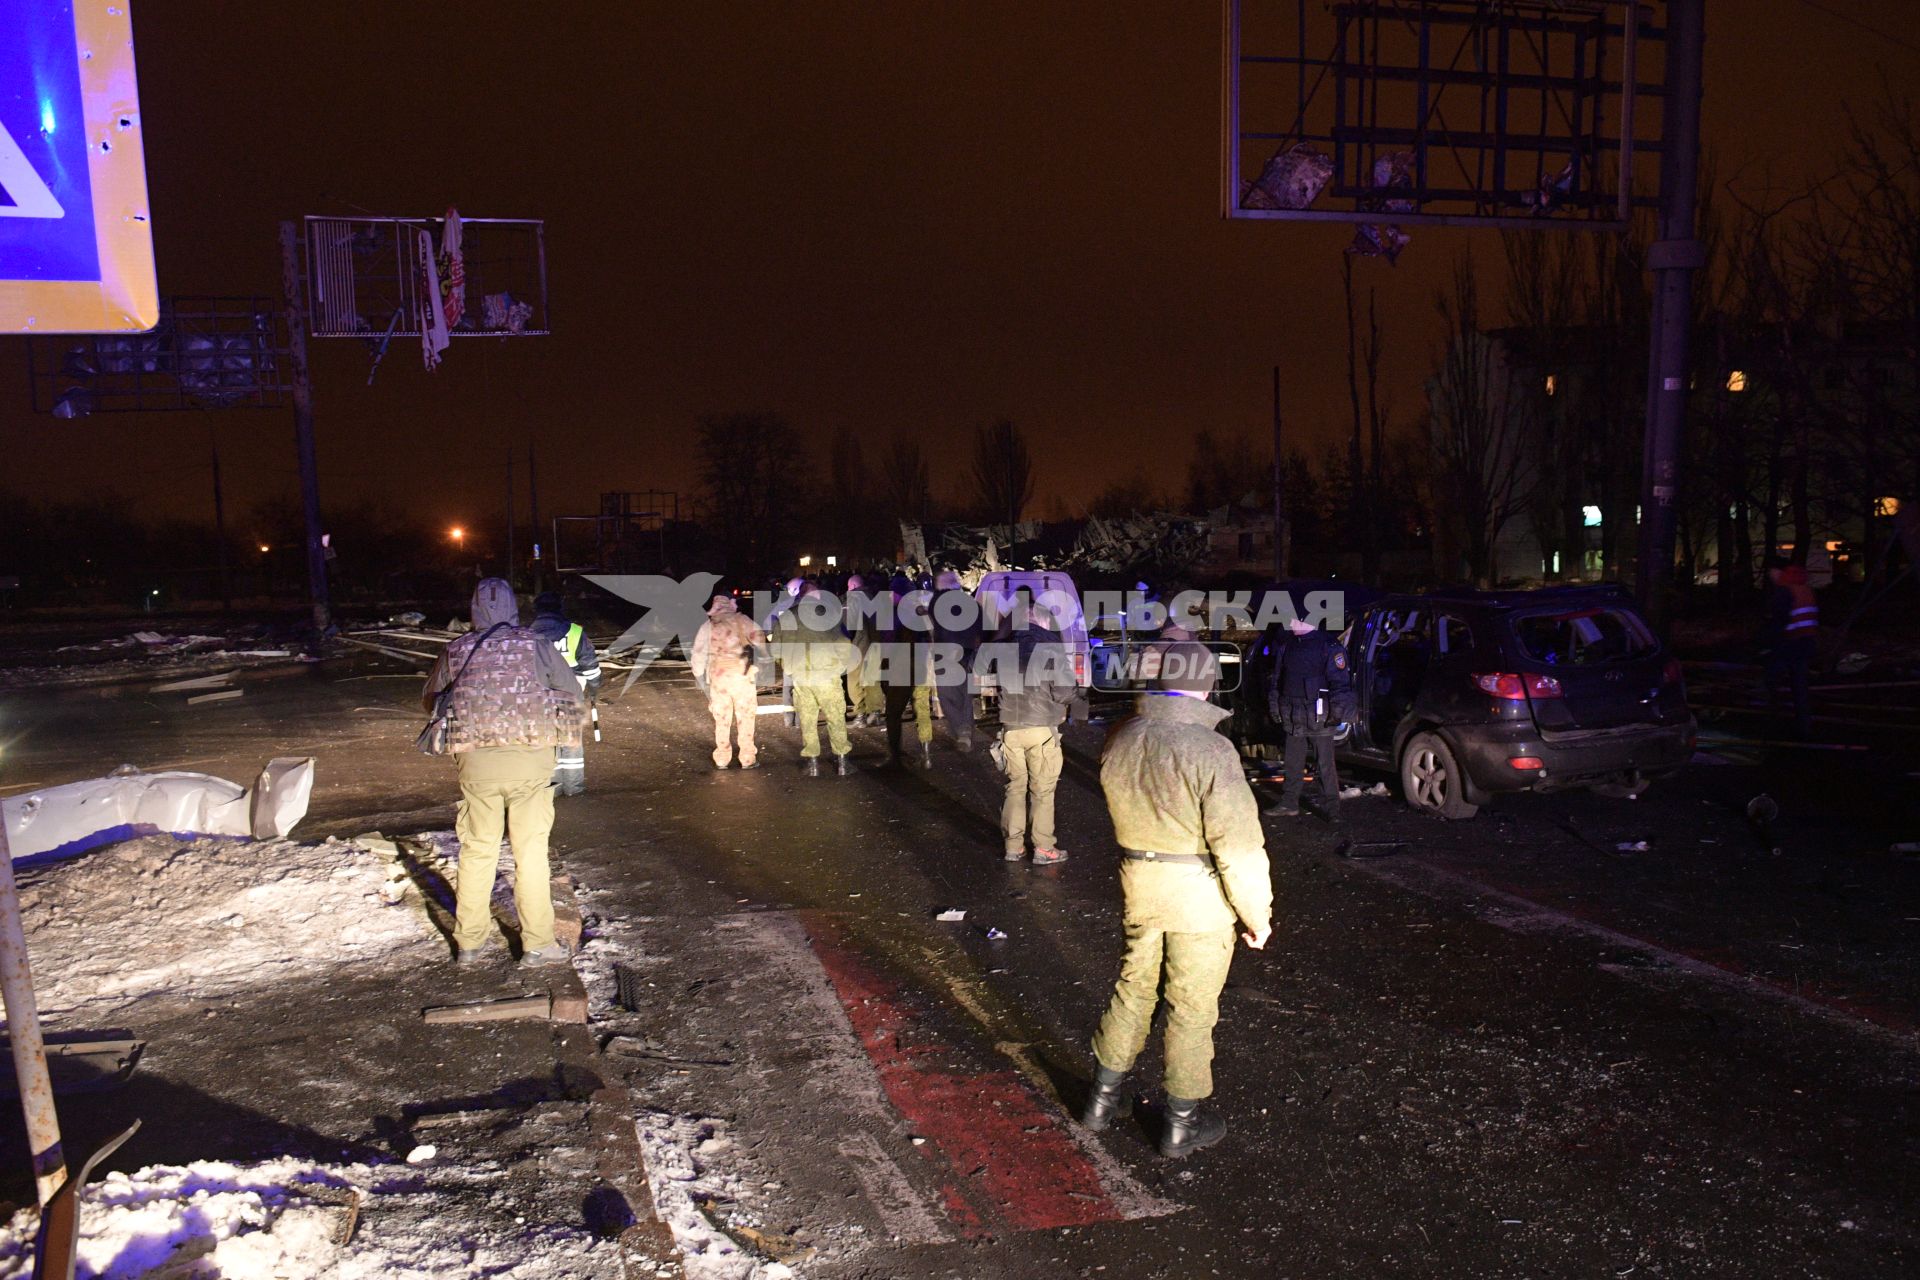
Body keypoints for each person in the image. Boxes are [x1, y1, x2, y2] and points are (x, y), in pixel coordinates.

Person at [1080, 659, 1272, 1158]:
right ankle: (1180, 1125)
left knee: (1133, 987)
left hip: (1139, 883)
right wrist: (1257, 914)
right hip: (1199, 896)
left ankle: (1101, 1100)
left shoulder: (1122, 736)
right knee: (1190, 1007)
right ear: (1205, 687)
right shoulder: (1210, 749)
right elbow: (1239, 845)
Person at [421, 578, 586, 966]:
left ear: (474, 609)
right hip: (530, 761)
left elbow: (430, 699)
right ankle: (538, 944)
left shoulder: (456, 650)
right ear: (515, 607)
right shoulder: (535, 645)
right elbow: (573, 695)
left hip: (476, 764)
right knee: (530, 854)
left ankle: (470, 944)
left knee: (478, 851)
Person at [993, 594, 1087, 863]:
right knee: (1042, 791)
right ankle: (1044, 848)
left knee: (1015, 787)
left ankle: (1013, 847)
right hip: (1041, 729)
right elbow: (1064, 692)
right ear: (1044, 622)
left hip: (1011, 728)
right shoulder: (1050, 648)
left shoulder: (1004, 648)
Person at [1265, 615, 1354, 818]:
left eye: (1294, 620)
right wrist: (1275, 707)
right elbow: (1277, 680)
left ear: (1307, 620)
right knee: (1292, 762)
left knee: (1325, 764)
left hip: (1318, 713)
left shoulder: (1329, 646)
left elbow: (1340, 683)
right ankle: (1289, 803)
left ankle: (1332, 809)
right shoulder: (1287, 645)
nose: (1290, 623)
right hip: (1293, 712)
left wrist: (1336, 714)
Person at [772, 584, 858, 777]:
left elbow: (776, 649)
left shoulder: (786, 617)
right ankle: (843, 762)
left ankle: (812, 764)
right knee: (835, 717)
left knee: (807, 719)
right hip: (827, 675)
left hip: (801, 677)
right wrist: (840, 667)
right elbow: (844, 643)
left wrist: (789, 666)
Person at [530, 591, 602, 796]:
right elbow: (590, 666)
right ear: (560, 608)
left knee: (548, 741)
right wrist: (594, 687)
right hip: (571, 694)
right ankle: (573, 788)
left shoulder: (526, 634)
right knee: (571, 742)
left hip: (540, 697)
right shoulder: (575, 632)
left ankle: (553, 787)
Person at [691, 592, 766, 769]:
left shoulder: (707, 626)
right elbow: (760, 640)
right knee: (746, 717)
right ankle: (747, 758)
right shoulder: (743, 620)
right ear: (731, 604)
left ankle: (722, 758)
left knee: (722, 719)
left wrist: (698, 672)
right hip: (743, 676)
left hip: (719, 678)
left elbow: (698, 652)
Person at [878, 576, 936, 768]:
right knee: (922, 709)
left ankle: (895, 757)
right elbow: (932, 636)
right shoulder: (921, 612)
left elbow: (886, 643)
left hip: (900, 668)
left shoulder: (894, 614)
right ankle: (926, 756)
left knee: (893, 713)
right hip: (922, 665)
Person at [1760, 558, 1818, 739]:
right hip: (1804, 644)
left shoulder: (1784, 592)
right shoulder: (1804, 589)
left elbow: (1778, 624)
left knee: (1771, 684)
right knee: (1800, 687)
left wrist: (1765, 646)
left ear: (1778, 572)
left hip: (1786, 646)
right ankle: (1804, 726)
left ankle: (1772, 726)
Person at [931, 569, 981, 751]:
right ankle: (966, 730)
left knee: (946, 695)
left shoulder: (937, 603)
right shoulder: (971, 603)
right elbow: (980, 632)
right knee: (965, 694)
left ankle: (961, 728)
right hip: (967, 654)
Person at [844, 573, 887, 726]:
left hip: (860, 644)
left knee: (854, 680)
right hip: (878, 643)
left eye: (849, 587)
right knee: (872, 678)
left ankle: (860, 714)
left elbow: (849, 625)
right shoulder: (877, 598)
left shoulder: (853, 599)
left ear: (853, 586)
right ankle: (876, 713)